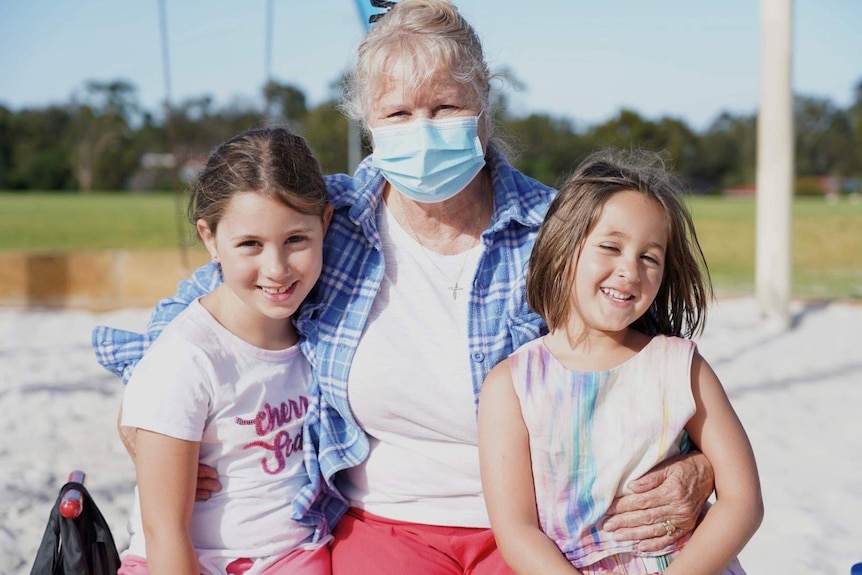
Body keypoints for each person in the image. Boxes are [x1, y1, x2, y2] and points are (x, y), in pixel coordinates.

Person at [93, 1, 716, 573]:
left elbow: (650, 362)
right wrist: (145, 408)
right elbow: (205, 300)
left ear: (484, 105)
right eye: (397, 113)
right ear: (368, 122)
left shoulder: (559, 230)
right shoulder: (328, 224)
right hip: (384, 520)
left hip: (541, 524)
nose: (423, 129)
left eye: (445, 107)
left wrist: (701, 465)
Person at [478, 149, 763, 575]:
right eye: (611, 247)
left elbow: (743, 501)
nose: (630, 270)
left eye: (650, 257)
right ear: (563, 250)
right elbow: (518, 529)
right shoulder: (512, 384)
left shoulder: (680, 366)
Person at [109, 127, 333, 575]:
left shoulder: (324, 333)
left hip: (297, 555)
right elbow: (164, 530)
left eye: (296, 240)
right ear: (209, 238)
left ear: (325, 223)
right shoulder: (187, 357)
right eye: (250, 244)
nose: (276, 268)